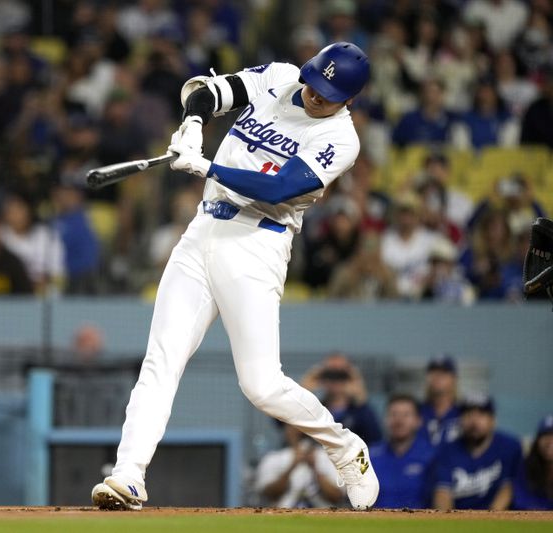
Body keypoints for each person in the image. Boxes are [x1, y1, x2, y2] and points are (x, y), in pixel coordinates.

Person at [91, 42, 379, 511]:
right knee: (161, 359)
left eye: (328, 94)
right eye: (314, 83)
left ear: (350, 99)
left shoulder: (342, 140)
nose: (314, 95)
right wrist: (192, 124)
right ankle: (129, 474)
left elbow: (282, 187)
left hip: (257, 243)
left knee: (261, 385)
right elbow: (209, 91)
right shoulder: (281, 77)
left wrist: (206, 166)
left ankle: (345, 447)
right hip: (202, 229)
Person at [431, 394, 523, 510]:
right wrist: (450, 523)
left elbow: (508, 489)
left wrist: (490, 521)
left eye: (481, 414)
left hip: (498, 520)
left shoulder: (510, 447)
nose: (474, 421)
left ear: (493, 420)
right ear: (459, 420)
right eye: (468, 415)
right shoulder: (446, 450)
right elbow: (442, 494)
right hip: (458, 519)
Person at [254, 421, 345, 508]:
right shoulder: (273, 458)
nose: (297, 430)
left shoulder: (330, 458)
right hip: (284, 517)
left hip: (322, 517)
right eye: (291, 426)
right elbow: (268, 494)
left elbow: (336, 496)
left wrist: (315, 468)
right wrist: (291, 467)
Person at [370, 394, 436, 509]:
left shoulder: (431, 456)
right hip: (377, 523)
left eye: (406, 415)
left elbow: (441, 495)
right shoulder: (370, 455)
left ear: (418, 421)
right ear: (385, 419)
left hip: (420, 523)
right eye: (393, 414)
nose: (399, 420)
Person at [301, 352, 382, 445]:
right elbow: (284, 425)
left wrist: (361, 399)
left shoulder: (360, 412)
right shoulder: (314, 408)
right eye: (330, 375)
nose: (335, 381)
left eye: (341, 375)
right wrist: (303, 393)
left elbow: (375, 439)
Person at [513, 415, 553, 510]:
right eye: (545, 435)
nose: (550, 441)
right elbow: (520, 500)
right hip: (530, 521)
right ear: (537, 441)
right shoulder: (525, 466)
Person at [419, 355, 461, 446]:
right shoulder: (417, 412)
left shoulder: (463, 413)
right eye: (433, 372)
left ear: (454, 379)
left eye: (444, 372)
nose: (437, 376)